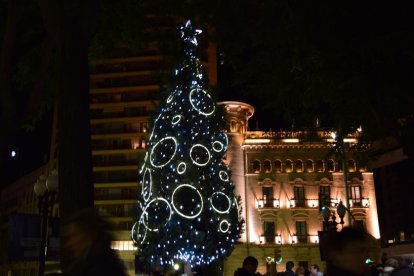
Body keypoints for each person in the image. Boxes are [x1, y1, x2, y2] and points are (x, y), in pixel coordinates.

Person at [61, 208, 127, 276]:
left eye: (74, 236)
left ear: (88, 236)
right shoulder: (84, 264)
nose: (69, 243)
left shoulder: (103, 267)